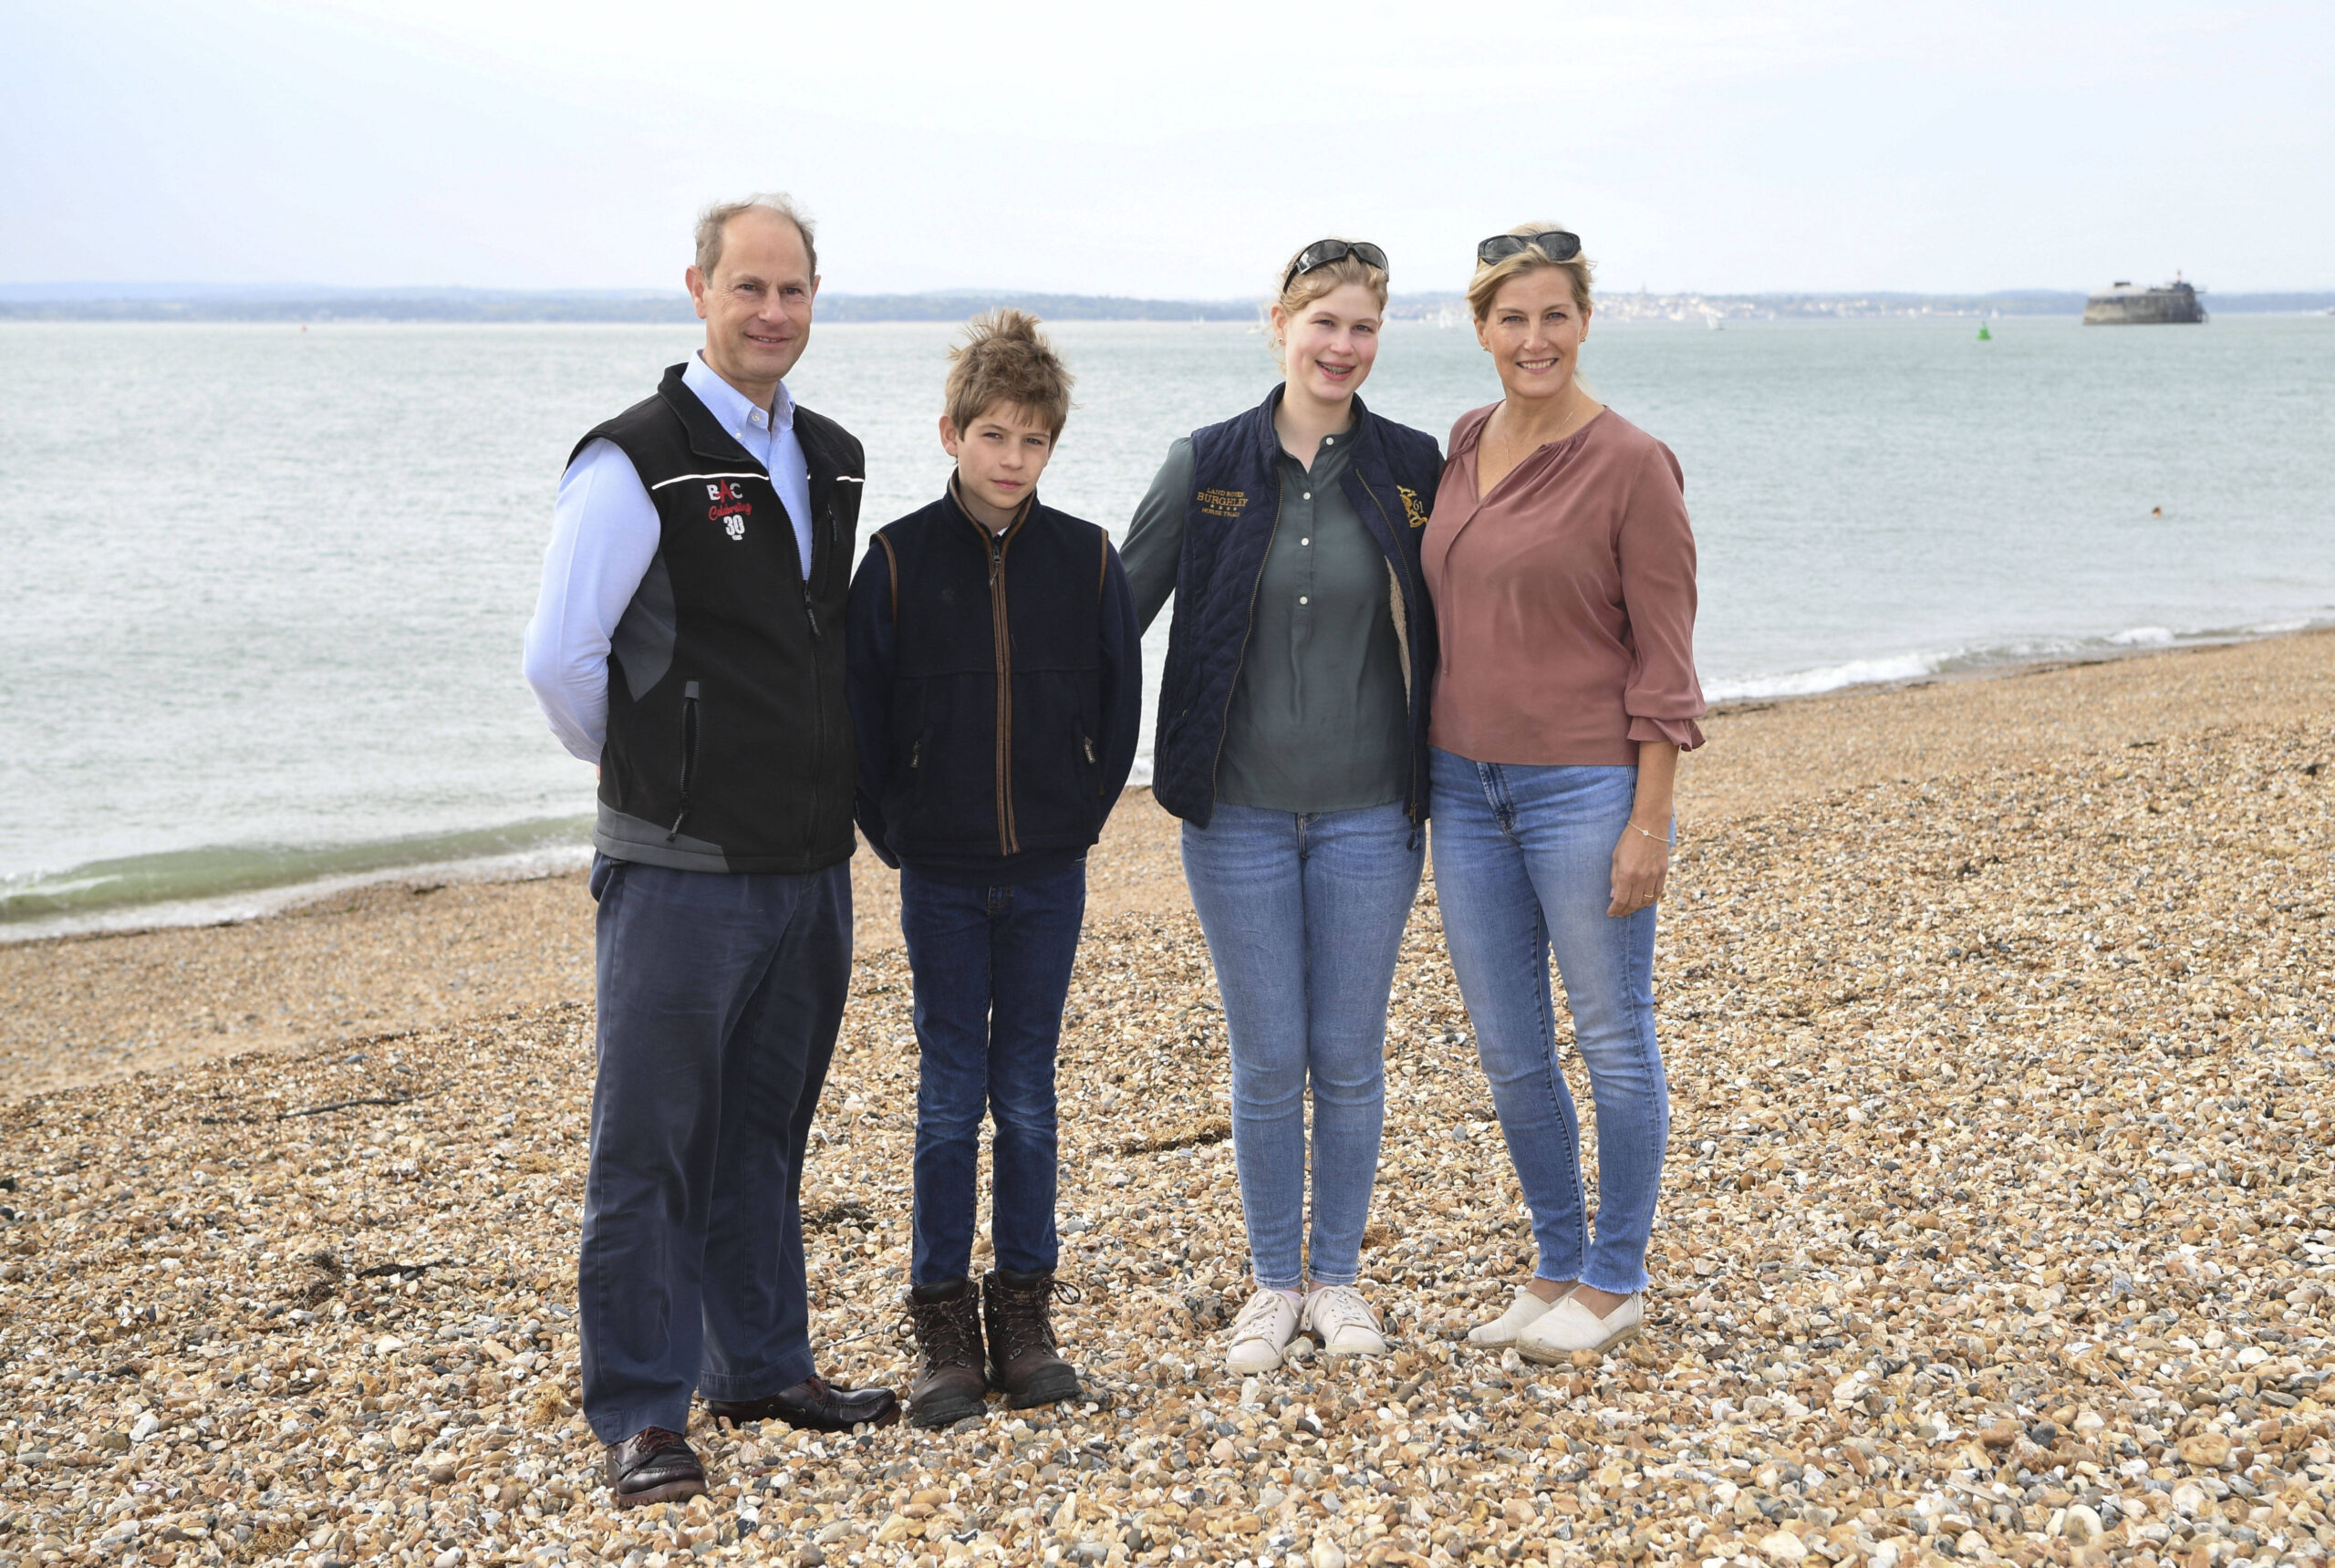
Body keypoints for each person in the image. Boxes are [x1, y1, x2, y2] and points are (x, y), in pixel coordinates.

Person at [521, 192, 898, 1509]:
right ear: (698, 289)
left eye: (793, 290)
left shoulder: (832, 456)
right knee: (652, 1144)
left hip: (807, 868)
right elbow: (561, 663)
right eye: (749, 288)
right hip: (679, 871)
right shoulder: (634, 458)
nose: (773, 313)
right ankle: (637, 1408)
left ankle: (763, 1366)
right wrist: (658, 777)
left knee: (765, 1135)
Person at [1124, 239, 1443, 1375]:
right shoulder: (1205, 462)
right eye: (1324, 324)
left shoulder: (1412, 469)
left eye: (1362, 328)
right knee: (1266, 1061)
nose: (1342, 347)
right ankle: (1272, 1283)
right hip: (1238, 817)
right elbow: (1111, 616)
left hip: (1370, 816)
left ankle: (1338, 1278)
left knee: (1350, 1057)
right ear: (1280, 324)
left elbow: (1479, 613)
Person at [846, 310, 1141, 1428]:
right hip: (942, 872)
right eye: (994, 436)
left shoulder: (1089, 556)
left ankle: (1023, 1313)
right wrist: (901, 831)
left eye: (1034, 440)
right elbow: (861, 718)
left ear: (1052, 448)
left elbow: (1119, 710)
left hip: (1048, 872)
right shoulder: (896, 562)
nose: (1013, 458)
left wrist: (1076, 812)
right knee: (945, 1097)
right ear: (951, 434)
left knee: (1026, 1094)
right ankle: (941, 1321)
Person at [1420, 223, 1705, 1363]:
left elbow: (1667, 663)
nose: (1532, 339)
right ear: (1481, 328)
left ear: (1584, 322)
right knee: (1509, 1047)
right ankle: (1553, 1262)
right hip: (1460, 782)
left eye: (1553, 316)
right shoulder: (1463, 438)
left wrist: (1648, 820)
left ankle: (1616, 1275)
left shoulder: (1634, 462)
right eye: (1510, 318)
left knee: (1611, 1037)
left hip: (1585, 790)